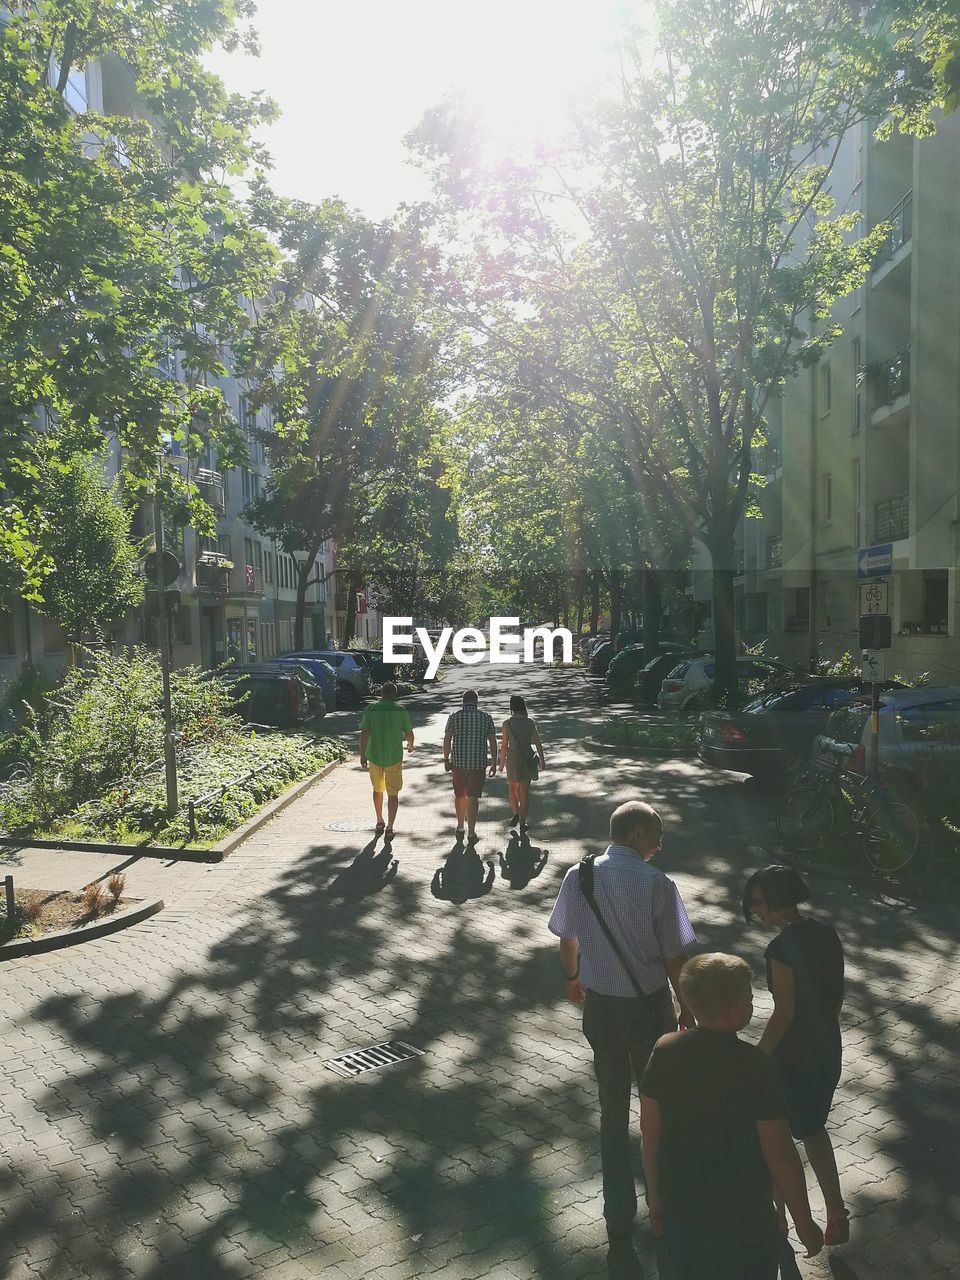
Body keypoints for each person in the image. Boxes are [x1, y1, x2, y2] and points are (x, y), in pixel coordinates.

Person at [547, 800, 697, 1239]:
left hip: (602, 1007)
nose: (660, 842)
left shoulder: (581, 875)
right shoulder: (657, 883)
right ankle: (663, 1187)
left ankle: (617, 1195)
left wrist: (573, 979)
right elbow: (675, 955)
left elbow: (567, 939)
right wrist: (687, 1005)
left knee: (611, 1099)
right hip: (649, 1007)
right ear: (634, 834)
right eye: (656, 833)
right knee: (660, 1096)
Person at [640, 953, 824, 1280]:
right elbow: (779, 1154)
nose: (753, 1005)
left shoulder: (665, 1049)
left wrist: (654, 1193)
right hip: (743, 1220)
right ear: (729, 1013)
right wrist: (803, 1221)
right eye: (749, 1000)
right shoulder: (755, 1066)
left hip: (681, 1211)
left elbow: (650, 1132)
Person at [742, 865, 848, 1246]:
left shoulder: (780, 948)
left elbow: (784, 1013)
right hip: (826, 1046)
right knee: (814, 1128)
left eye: (759, 901)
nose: (756, 910)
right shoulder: (826, 932)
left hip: (792, 1056)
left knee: (776, 1139)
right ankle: (837, 1212)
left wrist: (758, 1055)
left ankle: (781, 1222)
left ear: (778, 897)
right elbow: (836, 996)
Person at [358, 682, 414, 840]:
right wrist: (410, 745)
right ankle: (390, 826)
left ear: (381, 693)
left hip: (374, 756)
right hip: (394, 757)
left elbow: (364, 734)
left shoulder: (371, 709)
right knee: (393, 793)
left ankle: (379, 820)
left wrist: (362, 755)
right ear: (395, 695)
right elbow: (409, 732)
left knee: (377, 790)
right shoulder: (400, 710)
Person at [442, 689, 497, 843]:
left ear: (463, 701)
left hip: (458, 764)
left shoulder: (454, 716)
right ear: (476, 701)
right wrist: (494, 762)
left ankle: (460, 826)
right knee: (473, 797)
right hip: (478, 764)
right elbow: (493, 741)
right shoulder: (486, 717)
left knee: (459, 794)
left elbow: (447, 740)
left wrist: (446, 759)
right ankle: (471, 832)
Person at [498, 694, 545, 834]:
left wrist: (500, 763)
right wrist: (542, 759)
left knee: (512, 789)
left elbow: (504, 746)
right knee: (524, 793)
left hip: (512, 760)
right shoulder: (530, 722)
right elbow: (537, 742)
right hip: (527, 760)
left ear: (511, 707)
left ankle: (515, 813)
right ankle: (523, 823)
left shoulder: (507, 723)